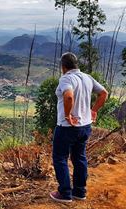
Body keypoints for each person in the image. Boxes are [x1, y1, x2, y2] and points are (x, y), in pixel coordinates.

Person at [50, 52, 108, 203]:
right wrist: (93, 110)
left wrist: (68, 115)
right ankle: (80, 192)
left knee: (60, 157)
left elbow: (68, 96)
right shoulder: (87, 77)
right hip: (85, 126)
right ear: (76, 65)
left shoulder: (66, 78)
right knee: (79, 158)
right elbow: (103, 93)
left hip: (67, 127)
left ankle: (64, 193)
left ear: (63, 67)